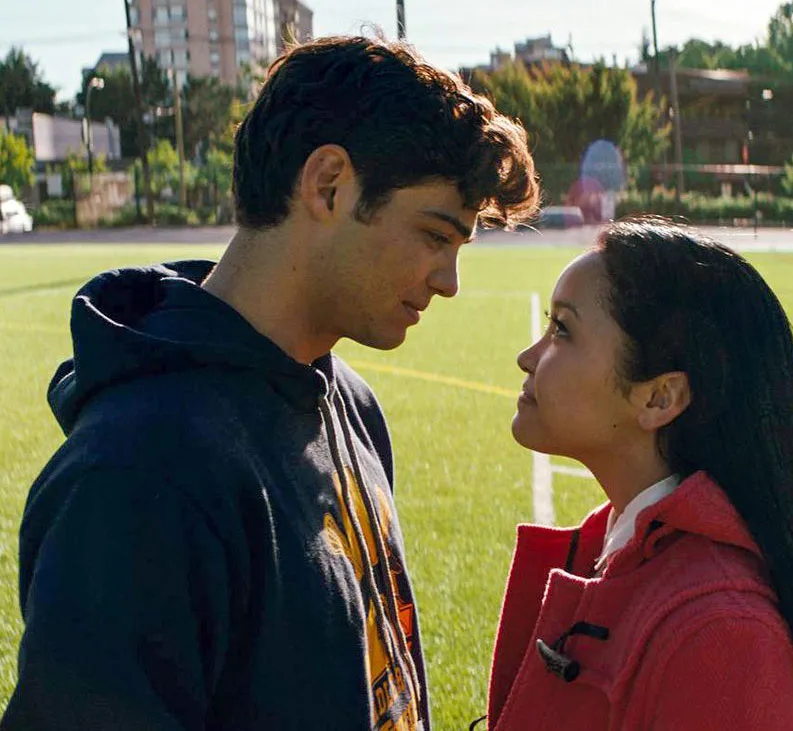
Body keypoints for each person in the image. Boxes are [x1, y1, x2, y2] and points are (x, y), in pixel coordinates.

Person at [3, 36, 539, 731]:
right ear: (328, 185)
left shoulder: (348, 401)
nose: (449, 282)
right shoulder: (134, 475)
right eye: (435, 236)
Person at [480, 218, 793, 730]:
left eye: (563, 330)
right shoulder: (623, 551)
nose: (527, 358)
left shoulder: (722, 637)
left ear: (660, 397)